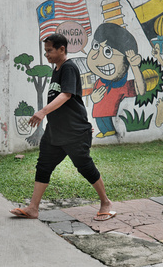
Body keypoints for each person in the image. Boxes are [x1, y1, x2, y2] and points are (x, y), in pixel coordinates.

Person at [10, 33, 115, 221]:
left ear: (62, 49)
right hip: (55, 131)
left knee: (84, 167)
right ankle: (33, 208)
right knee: (43, 166)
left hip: (73, 132)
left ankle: (106, 202)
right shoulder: (57, 70)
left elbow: (66, 95)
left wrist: (42, 112)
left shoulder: (69, 68)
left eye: (50, 51)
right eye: (46, 51)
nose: (47, 55)